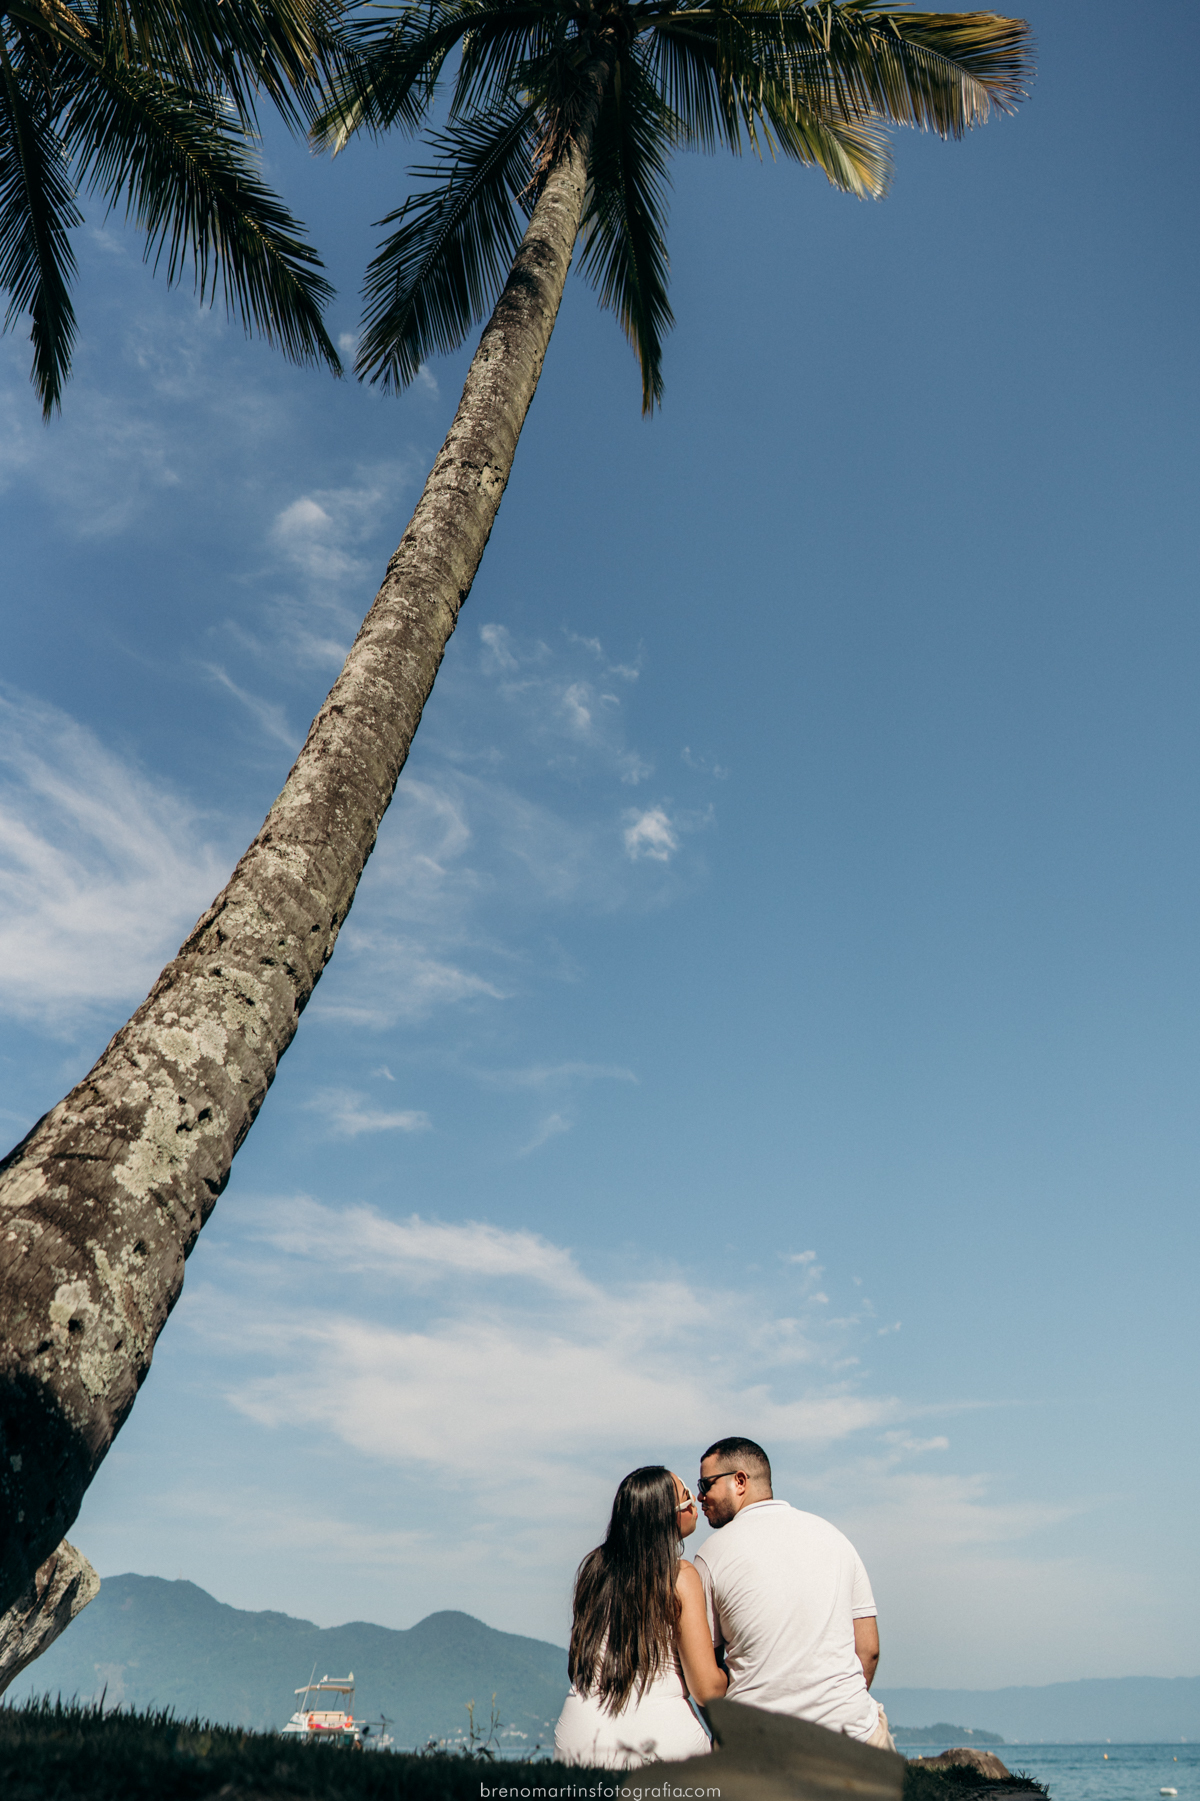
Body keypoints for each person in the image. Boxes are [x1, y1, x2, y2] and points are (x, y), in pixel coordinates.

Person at [692, 1436, 896, 1751]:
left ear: (740, 1481)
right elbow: (868, 1649)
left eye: (706, 1484)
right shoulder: (835, 1538)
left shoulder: (711, 1555)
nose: (700, 1496)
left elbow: (706, 1674)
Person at [554, 1465, 728, 1768]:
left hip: (579, 1737)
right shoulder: (680, 1575)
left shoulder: (593, 1570)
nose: (694, 1501)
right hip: (663, 1739)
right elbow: (706, 1689)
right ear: (669, 1514)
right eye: (687, 1494)